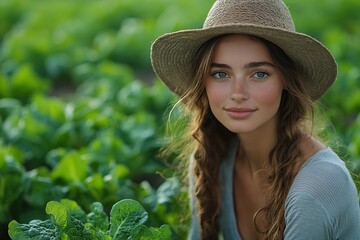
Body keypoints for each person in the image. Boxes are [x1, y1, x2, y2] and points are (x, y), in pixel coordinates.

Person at [151, 0, 360, 239]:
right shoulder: (211, 157)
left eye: (259, 74)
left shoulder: (316, 187)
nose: (238, 93)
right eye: (221, 74)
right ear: (203, 84)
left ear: (286, 82)